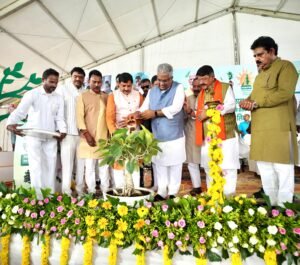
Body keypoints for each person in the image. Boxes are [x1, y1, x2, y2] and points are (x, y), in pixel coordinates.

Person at [239, 36, 298, 206]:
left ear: (272, 51)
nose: (257, 59)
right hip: (260, 130)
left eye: (260, 55)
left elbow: (285, 93)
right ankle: (272, 206)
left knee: (283, 171)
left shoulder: (286, 67)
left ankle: (284, 209)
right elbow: (254, 96)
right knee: (265, 170)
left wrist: (256, 103)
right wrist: (247, 101)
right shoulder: (260, 75)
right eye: (255, 56)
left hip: (278, 129)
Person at [7, 68, 67, 196]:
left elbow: (60, 118)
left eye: (56, 82)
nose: (54, 85)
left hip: (51, 137)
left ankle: (49, 197)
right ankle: (39, 199)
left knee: (50, 168)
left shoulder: (59, 98)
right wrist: (10, 123)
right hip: (34, 136)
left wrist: (63, 130)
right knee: (36, 167)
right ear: (43, 80)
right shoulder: (32, 94)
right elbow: (20, 112)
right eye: (51, 82)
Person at [139, 63, 186, 201]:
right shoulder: (153, 91)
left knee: (175, 164)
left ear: (172, 78)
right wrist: (136, 113)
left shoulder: (179, 87)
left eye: (165, 80)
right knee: (160, 164)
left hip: (174, 135)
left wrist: (154, 113)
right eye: (159, 80)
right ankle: (161, 190)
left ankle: (172, 192)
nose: (162, 83)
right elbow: (144, 107)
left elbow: (176, 108)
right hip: (158, 135)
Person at [195, 65, 239, 196]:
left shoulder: (225, 88)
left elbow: (230, 106)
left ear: (212, 77)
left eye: (204, 79)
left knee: (228, 168)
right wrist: (193, 113)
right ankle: (213, 197)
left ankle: (229, 198)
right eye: (199, 79)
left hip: (226, 136)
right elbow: (199, 113)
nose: (201, 82)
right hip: (208, 137)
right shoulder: (201, 94)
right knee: (209, 168)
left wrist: (208, 113)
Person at [106, 72, 144, 188]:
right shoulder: (113, 95)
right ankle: (120, 191)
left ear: (132, 84)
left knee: (134, 162)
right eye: (123, 86)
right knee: (119, 163)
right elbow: (109, 117)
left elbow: (142, 114)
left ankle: (136, 189)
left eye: (128, 86)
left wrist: (133, 120)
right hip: (119, 135)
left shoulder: (139, 95)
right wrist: (115, 134)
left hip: (135, 135)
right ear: (118, 84)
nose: (126, 88)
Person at [76, 70, 109, 195]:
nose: (96, 84)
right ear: (88, 81)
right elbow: (79, 117)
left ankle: (106, 193)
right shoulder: (83, 96)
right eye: (94, 82)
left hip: (104, 138)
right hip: (88, 138)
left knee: (104, 167)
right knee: (89, 168)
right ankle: (91, 193)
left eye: (99, 82)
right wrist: (86, 134)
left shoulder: (107, 97)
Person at [56, 67, 85, 195]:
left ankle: (80, 191)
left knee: (81, 166)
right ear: (71, 76)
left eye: (80, 77)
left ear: (84, 78)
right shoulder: (62, 89)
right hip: (67, 134)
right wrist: (60, 129)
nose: (78, 79)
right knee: (67, 166)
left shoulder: (85, 92)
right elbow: (58, 111)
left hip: (83, 135)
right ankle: (66, 194)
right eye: (75, 76)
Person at [184, 78, 202, 195]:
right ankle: (197, 186)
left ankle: (214, 186)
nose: (195, 89)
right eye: (194, 86)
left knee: (208, 161)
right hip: (191, 133)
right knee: (192, 161)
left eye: (198, 87)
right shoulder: (188, 99)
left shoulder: (207, 99)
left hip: (207, 134)